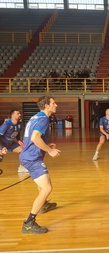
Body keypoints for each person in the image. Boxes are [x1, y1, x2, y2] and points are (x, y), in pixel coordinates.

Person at [20, 96, 61, 234]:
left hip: (29, 155)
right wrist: (50, 150)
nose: (56, 105)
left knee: (42, 185)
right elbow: (35, 138)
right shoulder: (43, 119)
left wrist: (45, 145)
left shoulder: (36, 117)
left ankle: (43, 205)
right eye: (53, 103)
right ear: (46, 106)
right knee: (47, 187)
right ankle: (28, 223)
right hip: (32, 158)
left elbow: (33, 138)